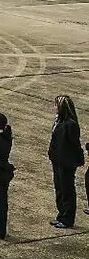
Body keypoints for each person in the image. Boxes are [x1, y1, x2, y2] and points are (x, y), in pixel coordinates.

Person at [49, 94, 84, 229]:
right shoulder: (59, 121)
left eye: (56, 105)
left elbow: (75, 143)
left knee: (67, 188)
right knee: (59, 188)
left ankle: (68, 218)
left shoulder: (70, 124)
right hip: (57, 159)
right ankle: (61, 214)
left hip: (66, 162)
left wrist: (78, 159)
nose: (54, 108)